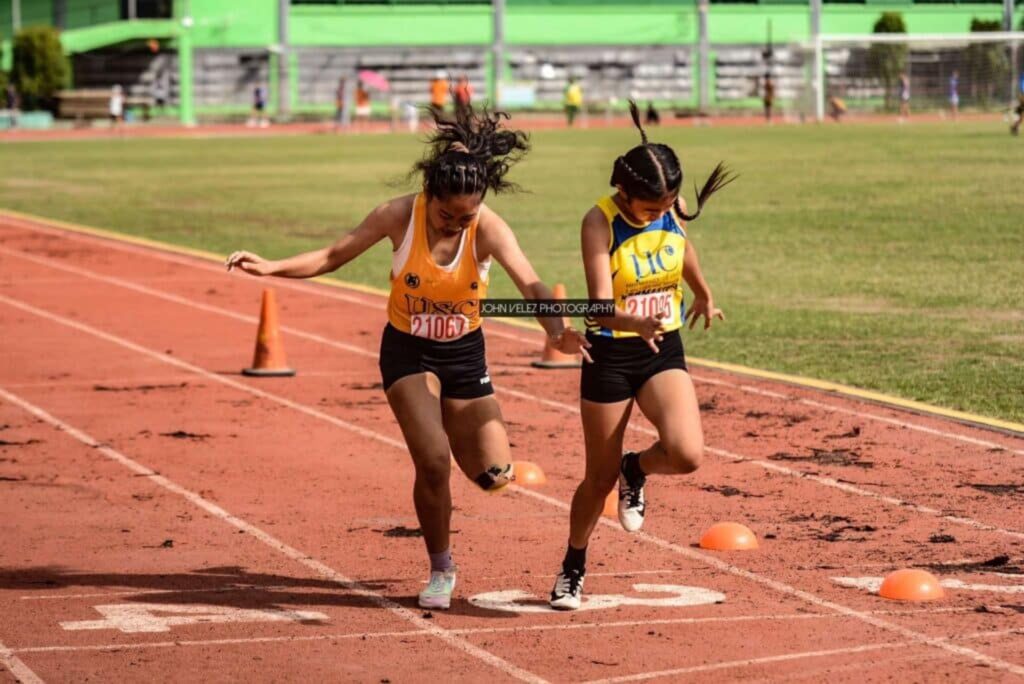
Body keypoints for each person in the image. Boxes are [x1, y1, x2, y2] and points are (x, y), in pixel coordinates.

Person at [225, 104, 591, 611]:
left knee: (493, 474)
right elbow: (332, 256)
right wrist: (271, 268)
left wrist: (560, 330)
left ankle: (473, 448)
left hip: (465, 354)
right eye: (447, 215)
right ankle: (441, 567)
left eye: (467, 217)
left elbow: (529, 284)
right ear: (428, 197)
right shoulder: (398, 215)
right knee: (433, 460)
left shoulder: (487, 227)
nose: (457, 225)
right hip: (408, 352)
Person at [548, 101, 734, 611]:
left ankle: (639, 469)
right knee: (597, 479)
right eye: (650, 207)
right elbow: (598, 308)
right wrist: (633, 322)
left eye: (666, 205)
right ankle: (573, 565)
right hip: (609, 353)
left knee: (688, 454)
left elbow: (682, 246)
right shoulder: (599, 222)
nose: (659, 214)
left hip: (661, 347)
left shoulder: (666, 209)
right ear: (624, 191)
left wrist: (702, 291)